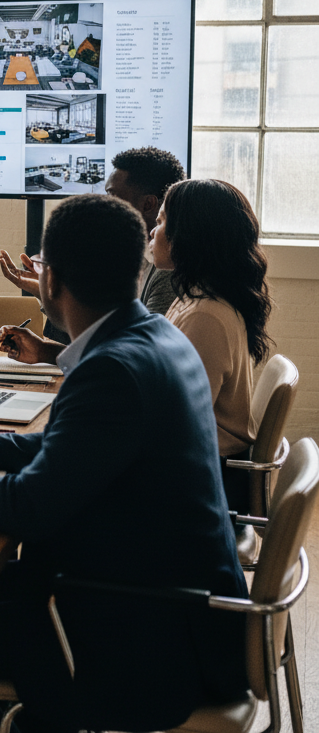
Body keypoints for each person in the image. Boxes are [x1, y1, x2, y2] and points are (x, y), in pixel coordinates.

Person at [0, 194, 248, 733]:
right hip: (169, 604)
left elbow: (30, 507)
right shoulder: (156, 334)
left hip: (143, 639)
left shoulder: (112, 369)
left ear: (50, 282)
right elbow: (69, 449)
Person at [150, 178, 272, 510]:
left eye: (161, 222)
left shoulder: (205, 315)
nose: (152, 231)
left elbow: (177, 423)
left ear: (188, 237)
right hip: (201, 467)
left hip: (204, 482)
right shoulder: (194, 298)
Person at [0, 145, 185, 342]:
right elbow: (103, 339)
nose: (104, 202)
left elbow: (135, 347)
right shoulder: (125, 254)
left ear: (148, 204)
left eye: (112, 195)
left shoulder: (167, 271)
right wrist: (52, 289)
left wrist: (55, 291)